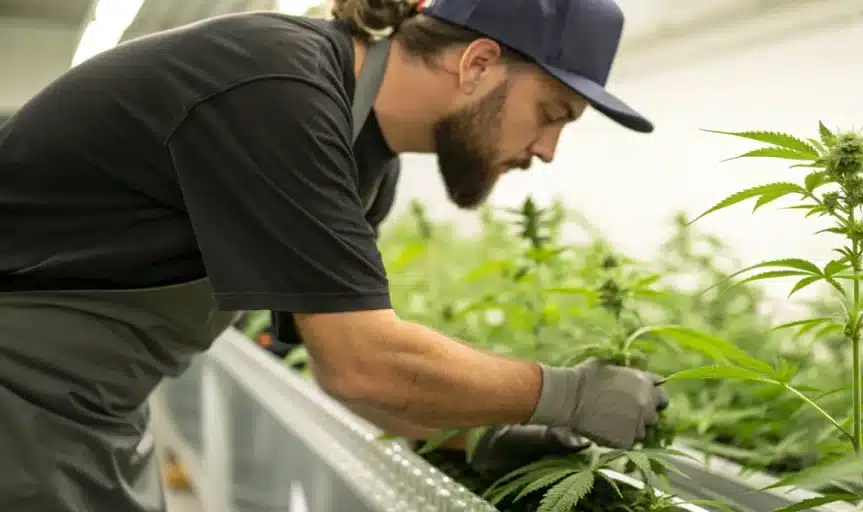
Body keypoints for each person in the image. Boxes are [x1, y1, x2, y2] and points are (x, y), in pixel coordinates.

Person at [0, 0, 668, 510]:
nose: (547, 149)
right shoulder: (277, 88)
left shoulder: (364, 161)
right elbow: (365, 364)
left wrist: (481, 437)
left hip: (87, 406)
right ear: (478, 64)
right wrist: (562, 395)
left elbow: (336, 370)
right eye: (553, 111)